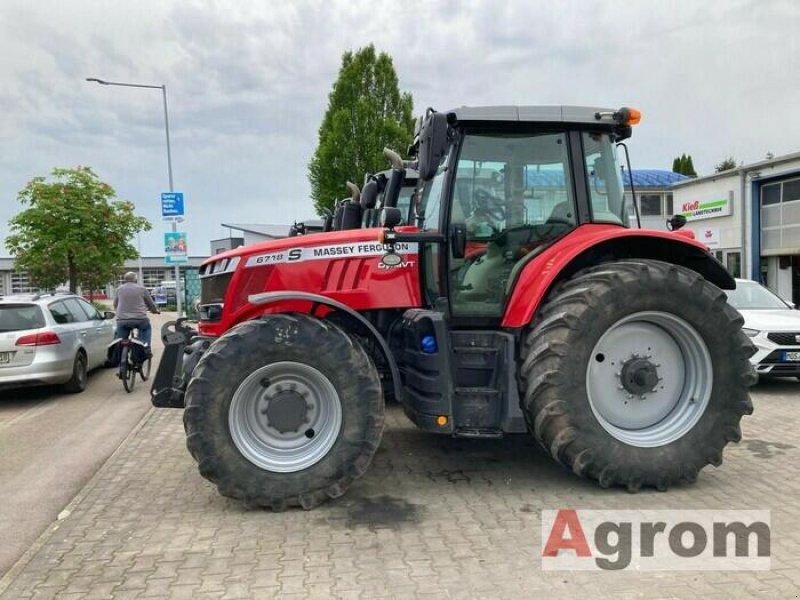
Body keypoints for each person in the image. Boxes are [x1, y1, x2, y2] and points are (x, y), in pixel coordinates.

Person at [113, 272, 160, 353]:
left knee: (120, 340)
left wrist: (119, 312)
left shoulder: (119, 289)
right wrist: (155, 311)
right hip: (140, 319)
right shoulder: (142, 289)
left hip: (122, 319)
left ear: (125, 280)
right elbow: (150, 304)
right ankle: (146, 347)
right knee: (146, 329)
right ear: (136, 280)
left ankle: (120, 354)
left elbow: (115, 304)